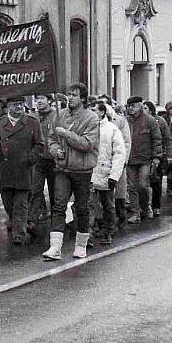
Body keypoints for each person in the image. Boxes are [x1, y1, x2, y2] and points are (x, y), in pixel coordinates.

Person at [42, 83, 99, 261]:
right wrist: (55, 150)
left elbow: (86, 144)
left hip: (82, 170)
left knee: (81, 208)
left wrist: (66, 134)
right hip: (62, 168)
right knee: (58, 206)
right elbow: (51, 138)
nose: (70, 98)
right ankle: (55, 247)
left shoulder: (91, 118)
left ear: (83, 98)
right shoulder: (60, 115)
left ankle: (81, 245)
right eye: (69, 94)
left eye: (74, 95)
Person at [0, 95, 44, 245]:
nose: (19, 107)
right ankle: (24, 224)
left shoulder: (32, 122)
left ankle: (18, 235)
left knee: (20, 204)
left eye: (21, 104)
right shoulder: (1, 123)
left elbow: (40, 145)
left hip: (24, 170)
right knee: (8, 203)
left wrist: (30, 159)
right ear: (8, 107)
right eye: (15, 105)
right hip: (5, 169)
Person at [89, 103, 126, 246]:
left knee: (107, 204)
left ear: (102, 112)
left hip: (106, 173)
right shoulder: (88, 127)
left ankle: (108, 231)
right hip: (90, 172)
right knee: (90, 205)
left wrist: (114, 176)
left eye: (94, 110)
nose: (92, 113)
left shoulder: (112, 129)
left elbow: (119, 153)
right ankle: (90, 232)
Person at [124, 96, 162, 223]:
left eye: (133, 106)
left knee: (143, 185)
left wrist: (157, 157)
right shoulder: (126, 121)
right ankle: (136, 213)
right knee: (132, 187)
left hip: (145, 159)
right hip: (130, 159)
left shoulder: (150, 120)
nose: (130, 109)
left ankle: (146, 207)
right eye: (129, 106)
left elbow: (157, 139)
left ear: (140, 106)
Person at [27, 93, 58, 234]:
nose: (38, 101)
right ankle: (32, 220)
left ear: (49, 101)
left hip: (54, 160)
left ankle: (57, 222)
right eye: (37, 99)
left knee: (54, 192)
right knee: (36, 190)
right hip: (38, 159)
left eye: (42, 98)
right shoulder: (33, 117)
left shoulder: (56, 115)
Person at [99, 94, 131, 227]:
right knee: (104, 194)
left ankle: (121, 214)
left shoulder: (120, 121)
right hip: (102, 163)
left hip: (118, 161)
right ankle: (104, 221)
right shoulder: (95, 123)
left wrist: (124, 161)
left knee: (119, 190)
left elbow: (127, 142)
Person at [144, 101, 170, 216]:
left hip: (157, 155)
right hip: (144, 155)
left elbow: (167, 138)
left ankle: (156, 206)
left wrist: (168, 154)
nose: (143, 110)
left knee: (156, 182)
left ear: (150, 109)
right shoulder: (140, 121)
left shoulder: (160, 121)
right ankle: (145, 206)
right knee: (144, 183)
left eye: (145, 108)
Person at [161, 102, 172, 195]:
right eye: (171, 109)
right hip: (167, 145)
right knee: (169, 167)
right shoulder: (164, 119)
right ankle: (170, 187)